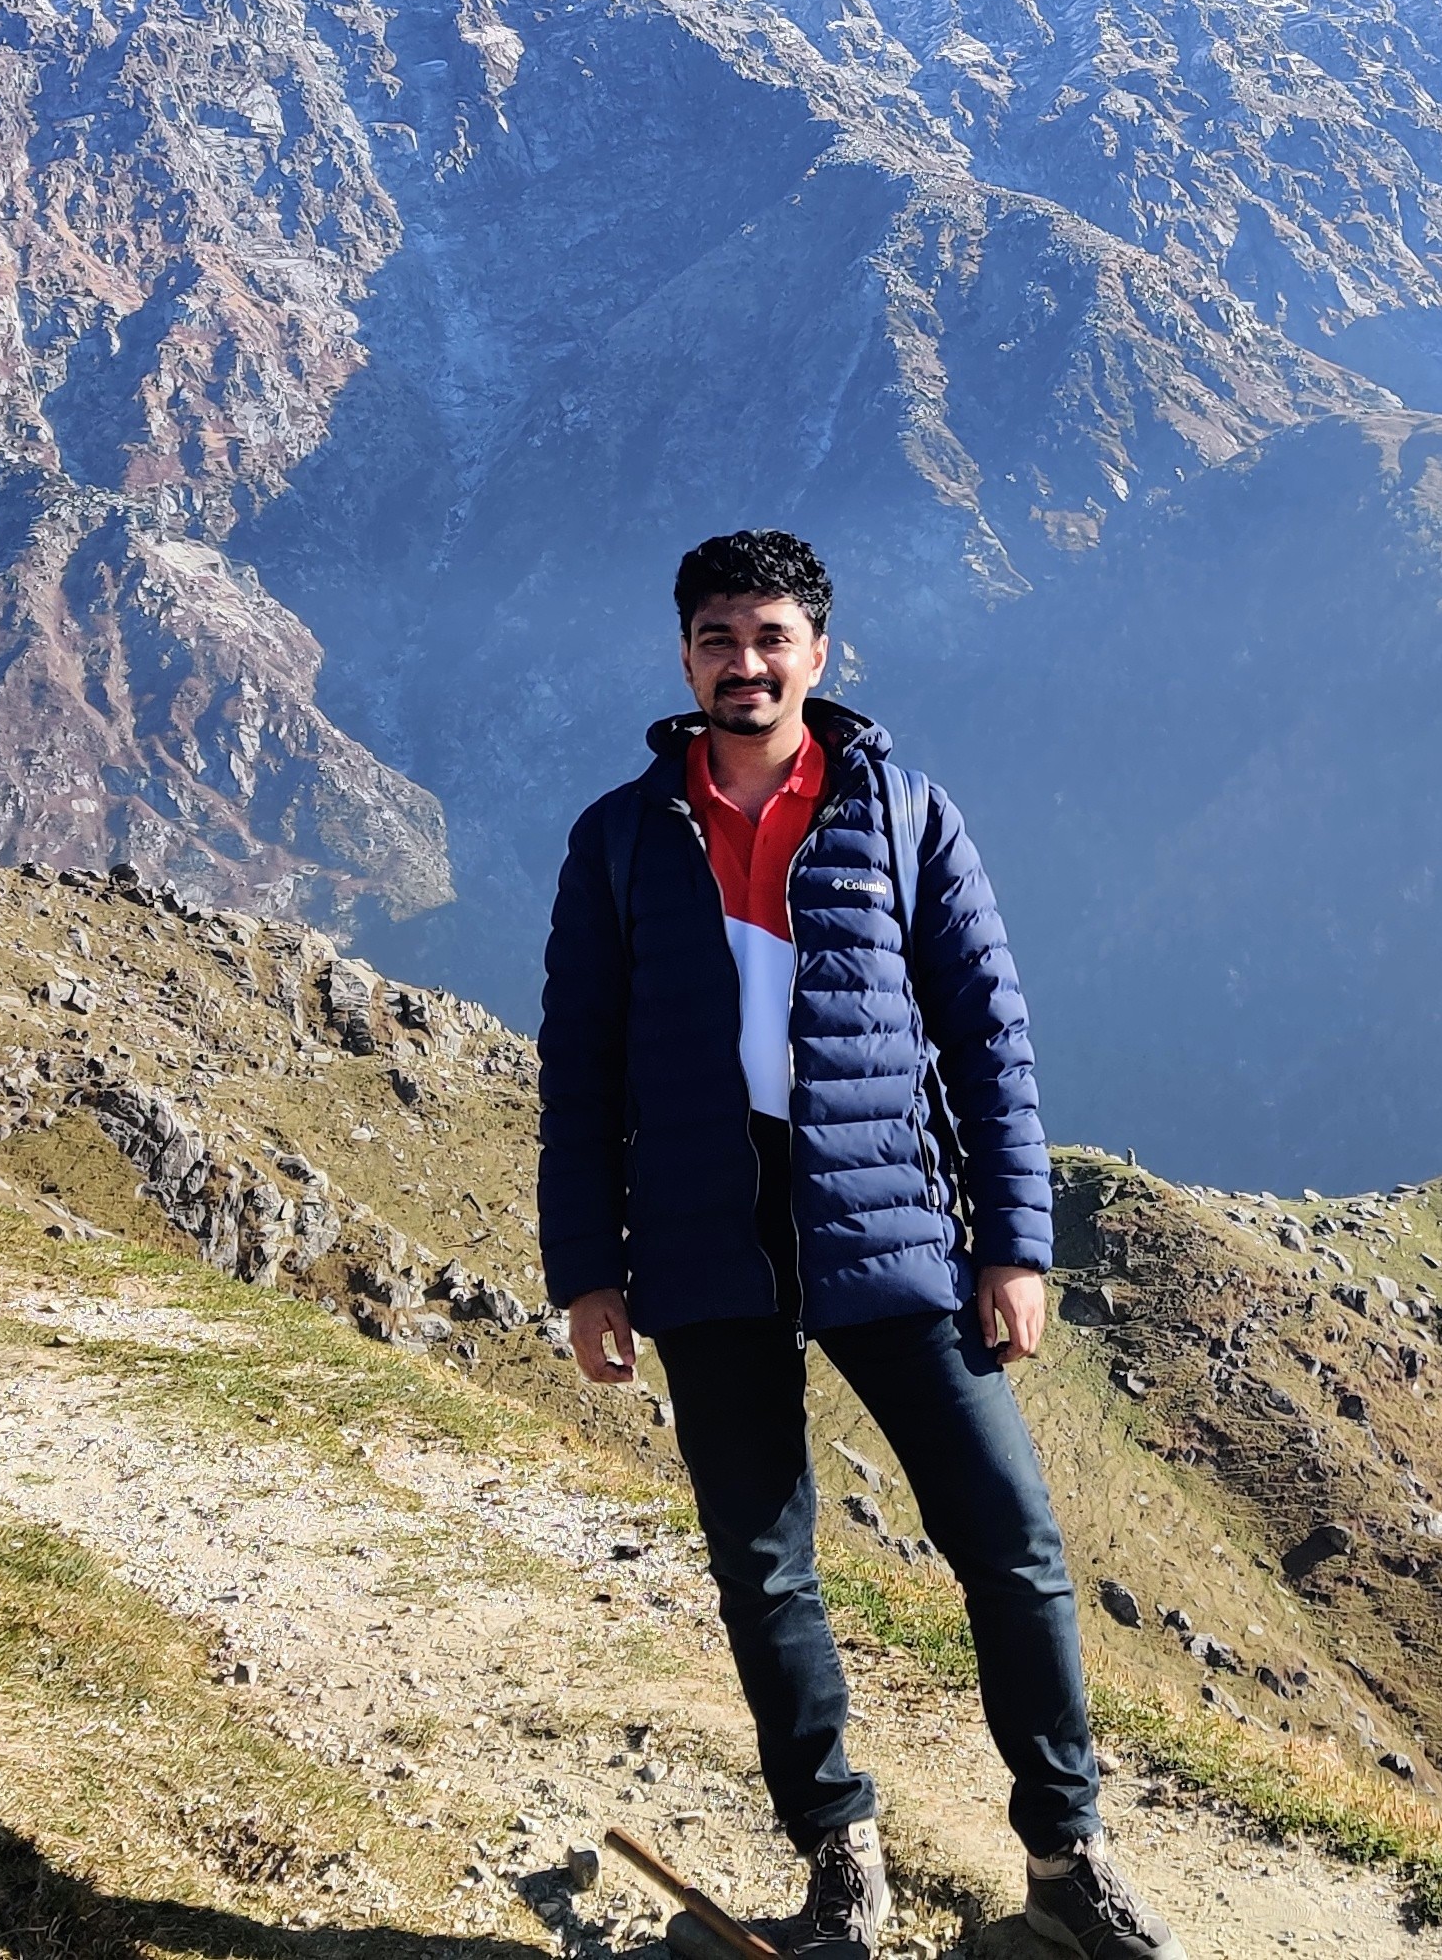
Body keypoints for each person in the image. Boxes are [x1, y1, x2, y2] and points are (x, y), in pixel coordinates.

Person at [538, 529, 1181, 1960]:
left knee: (1009, 1540)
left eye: (771, 638)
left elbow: (988, 1035)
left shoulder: (901, 812)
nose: (746, 664)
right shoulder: (621, 837)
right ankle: (841, 1858)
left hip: (891, 1227)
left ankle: (1068, 1862)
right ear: (684, 658)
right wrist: (587, 1270)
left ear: (819, 654)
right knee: (763, 1563)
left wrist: (1013, 1246)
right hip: (702, 1239)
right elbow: (577, 1068)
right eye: (719, 639)